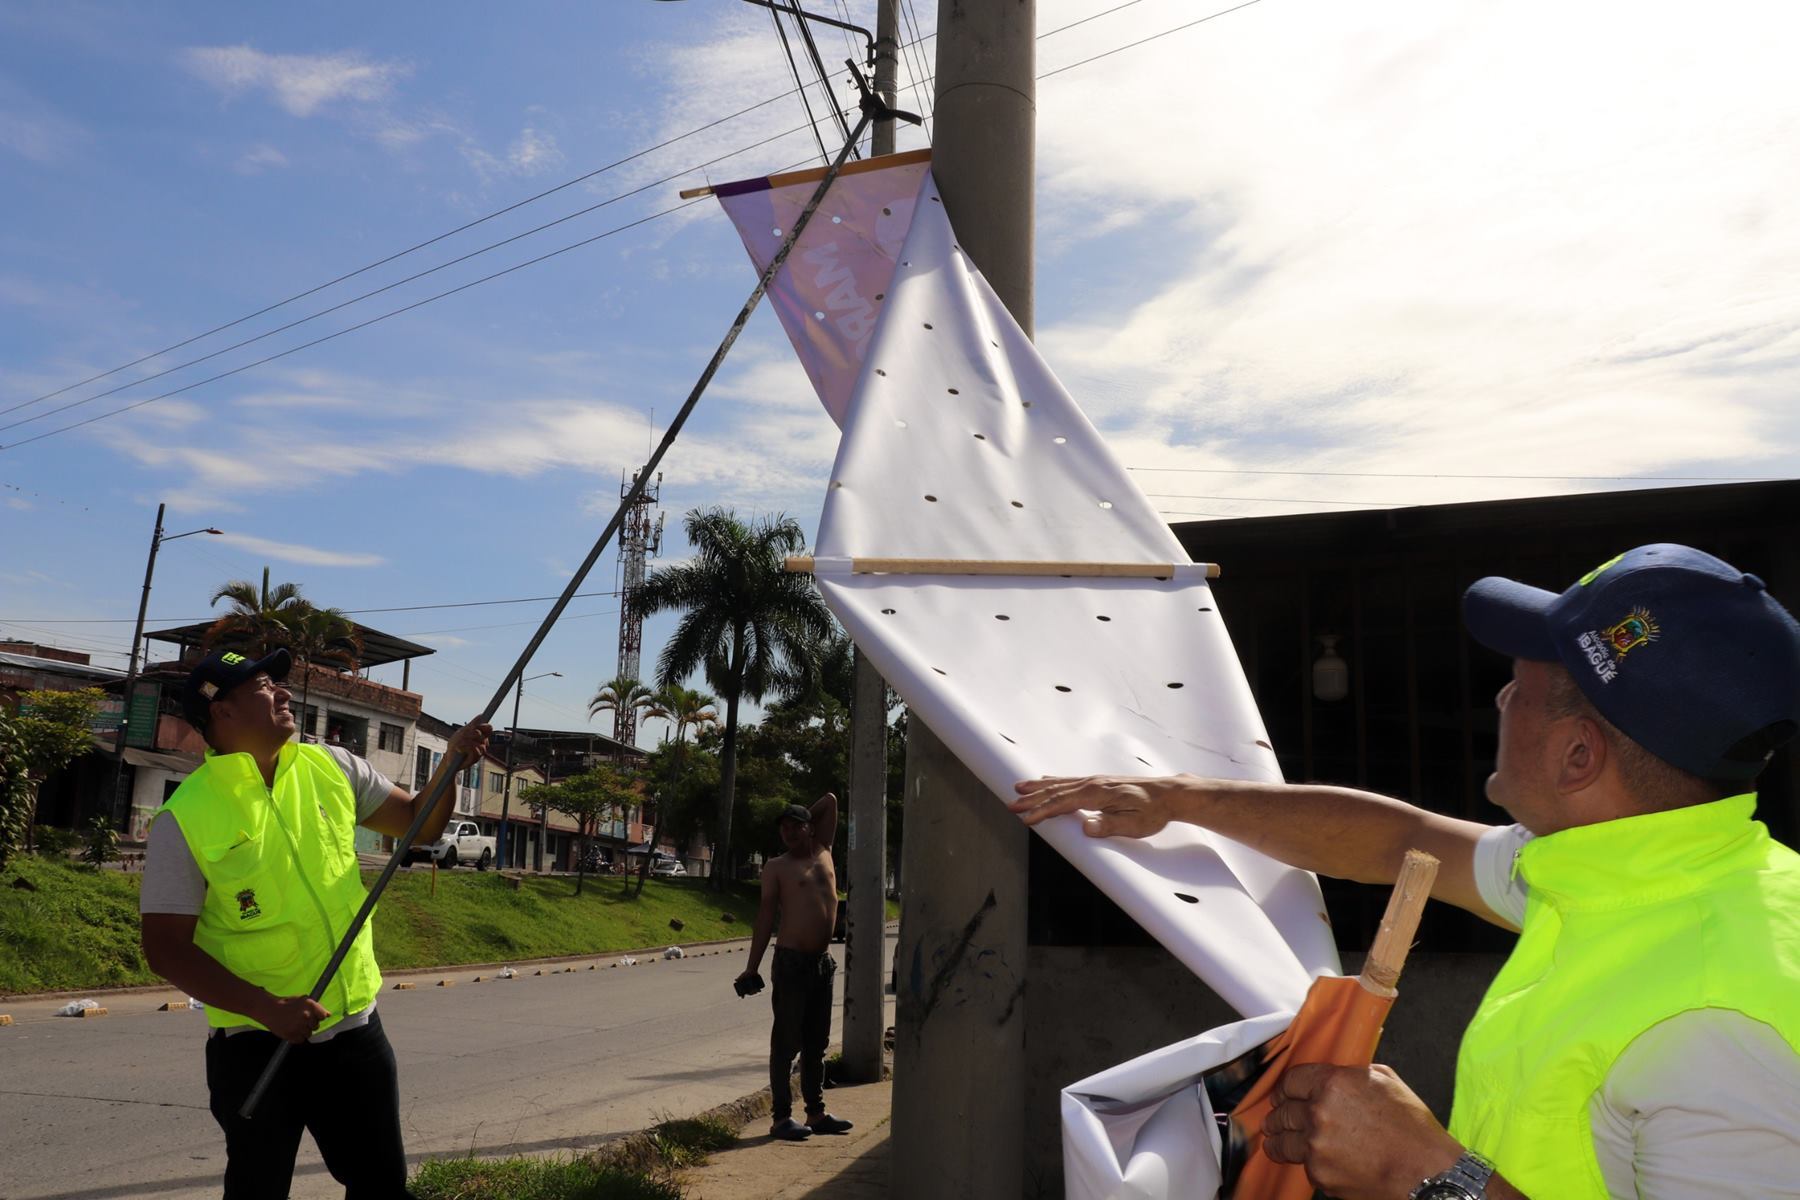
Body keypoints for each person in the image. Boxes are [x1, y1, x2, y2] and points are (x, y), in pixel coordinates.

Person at [1011, 544, 1800, 1200]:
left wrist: (1422, 1171)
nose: (1498, 698)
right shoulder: (1641, 874)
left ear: (1579, 755)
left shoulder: (1714, 1026)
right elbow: (1399, 842)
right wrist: (1177, 798)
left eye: (1519, 689)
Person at [139, 647, 491, 1199]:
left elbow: (416, 826)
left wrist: (450, 764)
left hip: (354, 1032)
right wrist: (265, 1007)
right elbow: (166, 949)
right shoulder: (184, 816)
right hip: (254, 1047)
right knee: (257, 1191)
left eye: (278, 682)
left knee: (381, 1187)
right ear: (221, 712)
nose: (282, 692)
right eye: (262, 685)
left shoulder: (332, 767)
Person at [734, 793, 855, 1141]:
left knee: (818, 1042)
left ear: (809, 828)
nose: (787, 832)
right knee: (786, 1044)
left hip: (822, 964)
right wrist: (751, 967)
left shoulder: (825, 851)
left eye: (794, 826)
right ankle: (781, 1118)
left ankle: (815, 1113)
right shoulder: (776, 867)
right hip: (791, 963)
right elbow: (765, 917)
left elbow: (831, 801)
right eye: (783, 827)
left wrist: (807, 817)